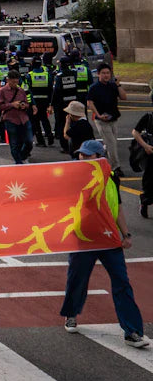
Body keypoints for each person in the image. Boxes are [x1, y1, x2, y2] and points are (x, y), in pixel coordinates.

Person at [60, 140, 148, 347]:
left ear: (100, 157)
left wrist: (125, 234)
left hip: (109, 238)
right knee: (77, 279)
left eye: (87, 155)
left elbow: (116, 207)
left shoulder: (111, 178)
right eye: (81, 154)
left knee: (122, 282)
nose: (82, 158)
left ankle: (132, 331)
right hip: (84, 238)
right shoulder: (74, 176)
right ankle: (71, 313)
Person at [86, 63, 127, 173]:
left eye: (108, 73)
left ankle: (100, 155)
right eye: (103, 73)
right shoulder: (94, 87)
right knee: (111, 144)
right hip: (101, 120)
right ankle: (116, 167)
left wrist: (118, 85)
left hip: (113, 119)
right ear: (98, 74)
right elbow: (90, 102)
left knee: (110, 143)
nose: (106, 75)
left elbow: (124, 97)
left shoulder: (113, 86)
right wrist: (98, 115)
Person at [0, 70, 33, 165]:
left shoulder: (21, 90)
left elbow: (27, 102)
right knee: (14, 143)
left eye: (16, 82)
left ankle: (22, 156)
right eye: (13, 82)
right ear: (8, 80)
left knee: (29, 141)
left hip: (23, 118)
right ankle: (18, 162)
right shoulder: (2, 91)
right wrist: (12, 105)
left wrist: (24, 105)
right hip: (11, 119)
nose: (15, 84)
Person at [133, 110, 153, 219]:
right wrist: (146, 146)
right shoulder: (149, 117)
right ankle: (145, 201)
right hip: (150, 155)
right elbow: (135, 132)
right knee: (149, 182)